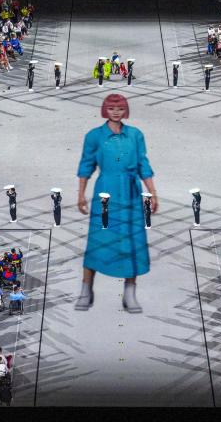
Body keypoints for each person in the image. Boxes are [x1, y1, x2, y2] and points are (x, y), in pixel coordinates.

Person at [75, 94, 158, 314]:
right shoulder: (94, 136)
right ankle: (86, 290)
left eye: (120, 108)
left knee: (132, 241)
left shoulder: (135, 135)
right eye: (111, 108)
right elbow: (86, 166)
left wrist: (153, 192)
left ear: (125, 110)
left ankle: (130, 292)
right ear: (105, 110)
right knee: (98, 238)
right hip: (106, 193)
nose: (115, 112)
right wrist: (81, 194)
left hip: (130, 194)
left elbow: (143, 164)